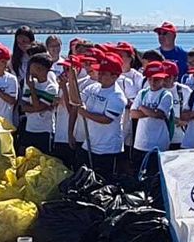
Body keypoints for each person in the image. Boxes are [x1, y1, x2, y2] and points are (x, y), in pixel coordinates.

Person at [74, 52, 129, 180]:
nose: (100, 74)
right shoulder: (93, 87)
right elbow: (76, 100)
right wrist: (72, 78)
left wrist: (85, 113)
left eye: (104, 73)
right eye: (100, 71)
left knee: (103, 181)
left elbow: (107, 119)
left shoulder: (117, 96)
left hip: (107, 148)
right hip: (89, 144)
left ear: (115, 76)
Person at [130, 61, 178, 180]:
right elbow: (133, 114)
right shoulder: (143, 93)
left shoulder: (166, 95)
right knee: (138, 174)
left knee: (155, 176)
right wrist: (149, 111)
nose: (153, 82)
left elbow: (160, 114)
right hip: (140, 142)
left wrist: (142, 108)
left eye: (156, 79)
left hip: (158, 143)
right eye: (150, 79)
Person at [19, 53, 58, 154]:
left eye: (35, 68)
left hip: (44, 130)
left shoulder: (51, 87)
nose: (31, 72)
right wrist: (39, 108)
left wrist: (32, 88)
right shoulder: (30, 83)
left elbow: (37, 106)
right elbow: (23, 107)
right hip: (30, 128)